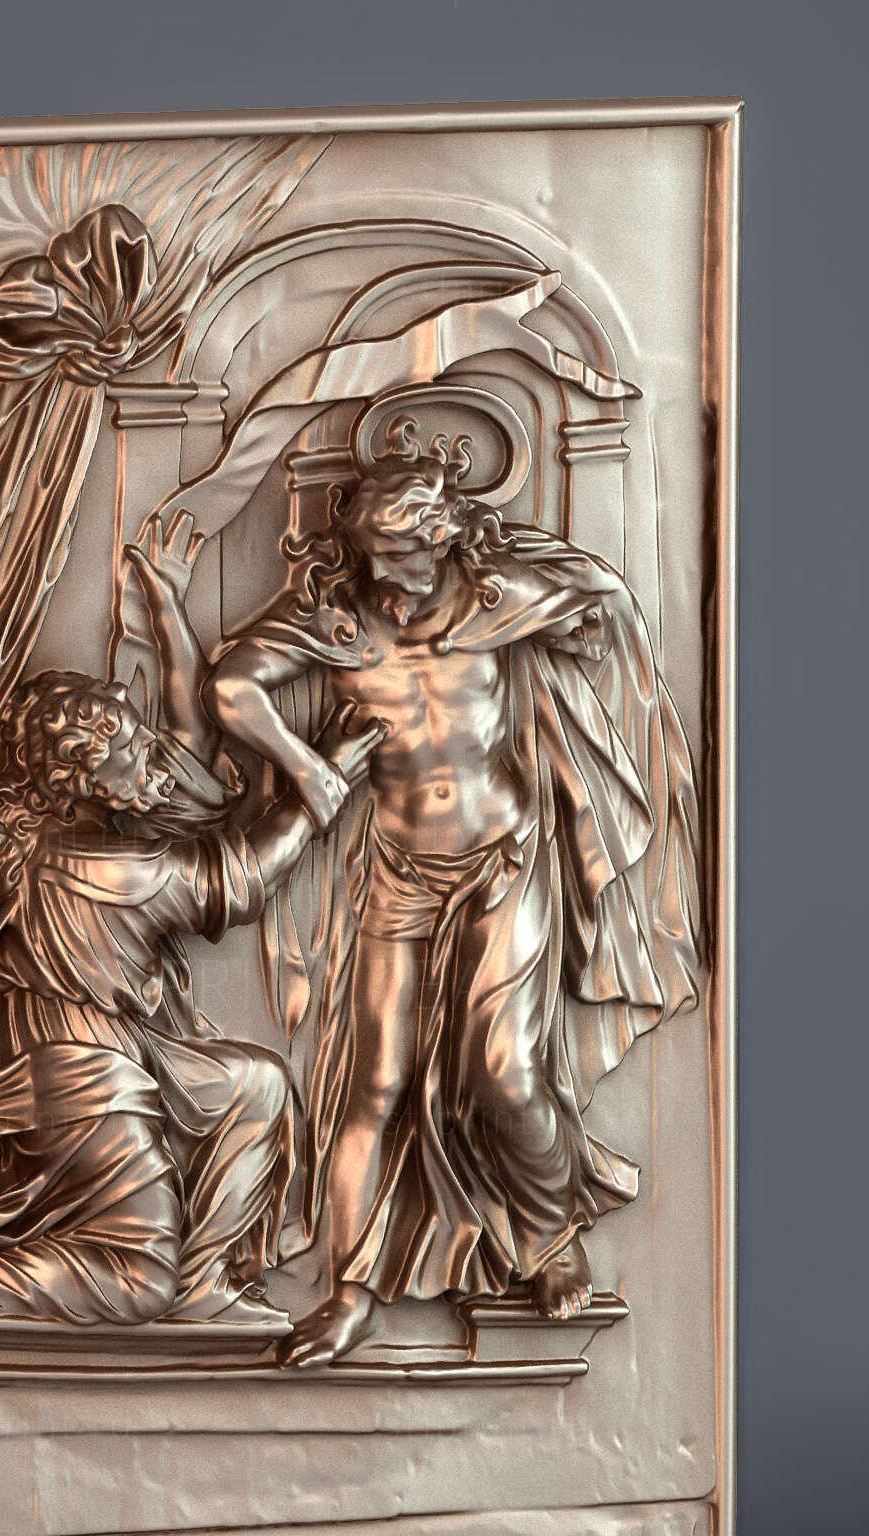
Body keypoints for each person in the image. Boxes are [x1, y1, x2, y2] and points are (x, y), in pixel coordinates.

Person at [207, 422, 703, 1366]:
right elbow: (233, 686)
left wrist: (575, 625)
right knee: (374, 1080)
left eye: (401, 553)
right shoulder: (343, 622)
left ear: (441, 538)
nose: (383, 573)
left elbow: (605, 610)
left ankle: (550, 1240)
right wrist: (309, 770)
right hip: (400, 869)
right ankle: (351, 1292)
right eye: (371, 553)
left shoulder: (494, 601)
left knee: (505, 1072)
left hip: (502, 863)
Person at [0, 659, 384, 1392]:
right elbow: (240, 880)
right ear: (88, 778)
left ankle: (206, 1282)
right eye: (134, 746)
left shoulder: (53, 846)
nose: (152, 754)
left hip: (118, 1051)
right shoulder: (109, 872)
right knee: (138, 1278)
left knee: (255, 1087)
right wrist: (327, 782)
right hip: (84, 1074)